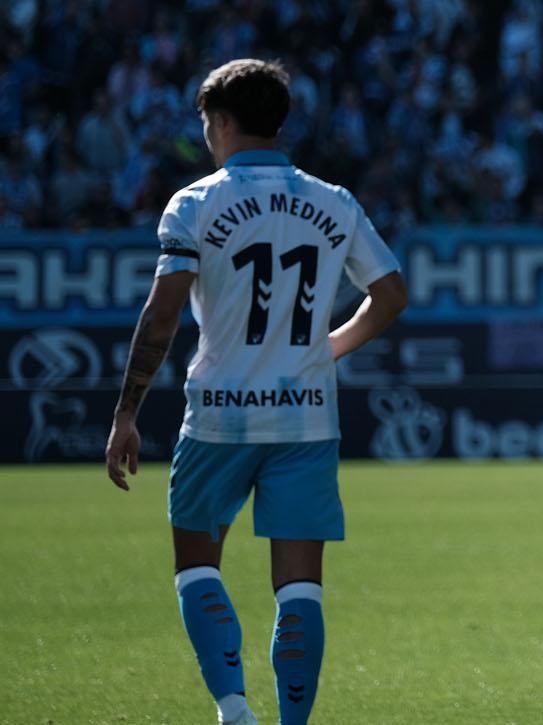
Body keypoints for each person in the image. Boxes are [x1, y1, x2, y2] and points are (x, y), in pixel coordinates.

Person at [103, 59, 407, 725]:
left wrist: (127, 410)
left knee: (197, 566)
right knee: (299, 586)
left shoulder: (194, 202)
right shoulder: (334, 200)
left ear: (223, 121)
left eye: (208, 122)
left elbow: (162, 316)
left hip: (219, 417)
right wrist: (330, 346)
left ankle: (235, 711)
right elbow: (391, 294)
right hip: (305, 418)